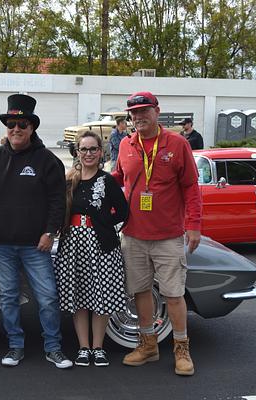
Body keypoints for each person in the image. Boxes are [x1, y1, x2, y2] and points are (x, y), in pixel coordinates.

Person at [0, 94, 72, 369]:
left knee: (48, 298)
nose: (16, 129)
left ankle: (53, 347)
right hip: (2, 245)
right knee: (8, 297)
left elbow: (58, 201)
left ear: (32, 128)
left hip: (35, 246)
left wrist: (50, 232)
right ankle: (15, 346)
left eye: (22, 125)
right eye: (11, 124)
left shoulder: (48, 160)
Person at [113, 92, 201, 376]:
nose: (138, 117)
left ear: (157, 111)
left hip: (168, 236)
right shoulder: (126, 144)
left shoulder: (177, 143)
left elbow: (191, 186)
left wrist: (194, 225)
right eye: (134, 112)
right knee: (140, 291)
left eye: (144, 111)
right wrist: (84, 180)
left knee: (173, 295)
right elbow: (117, 178)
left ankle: (181, 348)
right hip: (133, 234)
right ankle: (148, 344)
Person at [54, 131, 128, 368]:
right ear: (77, 152)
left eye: (93, 149)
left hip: (101, 246)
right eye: (84, 149)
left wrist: (103, 223)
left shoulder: (107, 181)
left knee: (101, 296)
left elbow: (123, 212)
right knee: (79, 297)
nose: (88, 153)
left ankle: (98, 347)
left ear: (100, 152)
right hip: (73, 246)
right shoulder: (69, 181)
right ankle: (83, 347)